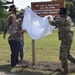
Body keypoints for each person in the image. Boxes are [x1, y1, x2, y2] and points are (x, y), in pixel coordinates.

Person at [48, 7, 75, 74]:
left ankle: (65, 70)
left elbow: (52, 23)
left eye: (61, 14)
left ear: (64, 14)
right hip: (69, 38)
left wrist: (50, 18)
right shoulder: (68, 18)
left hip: (66, 39)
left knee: (62, 55)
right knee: (67, 54)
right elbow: (58, 20)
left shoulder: (62, 20)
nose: (60, 15)